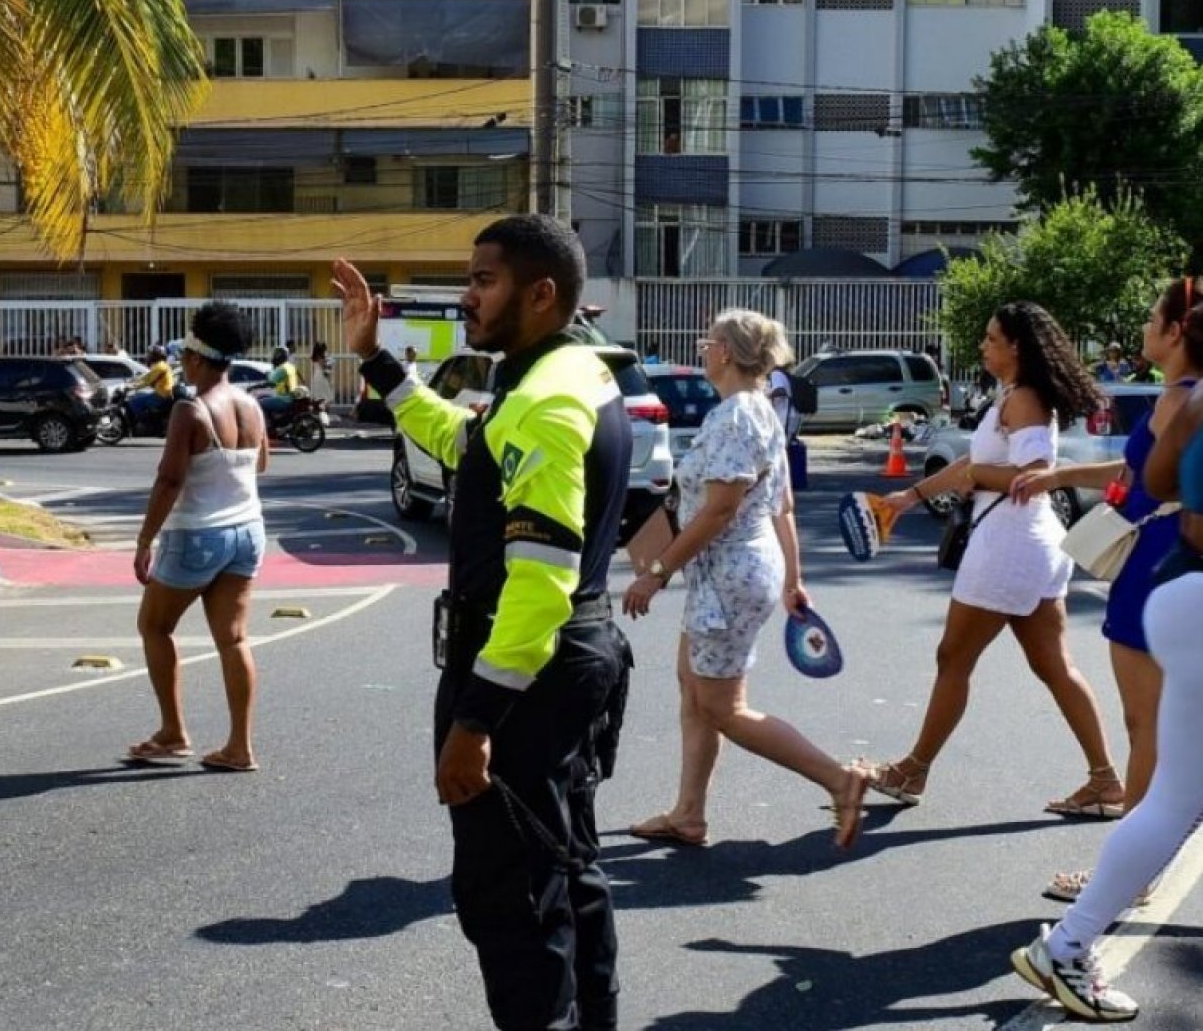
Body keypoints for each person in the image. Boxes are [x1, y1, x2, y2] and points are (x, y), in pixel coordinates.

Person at [333, 216, 634, 1031]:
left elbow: (539, 588)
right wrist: (374, 359)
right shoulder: (561, 376)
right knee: (568, 873)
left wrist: (474, 720)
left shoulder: (545, 401)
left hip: (525, 673)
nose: (466, 296)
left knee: (511, 899)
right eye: (469, 277)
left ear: (542, 294)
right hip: (567, 659)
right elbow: (462, 442)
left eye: (484, 280)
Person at [622, 309, 869, 852]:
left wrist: (657, 573)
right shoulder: (760, 412)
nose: (701, 348)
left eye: (706, 341)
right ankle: (688, 814)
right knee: (694, 688)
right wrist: (793, 577)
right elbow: (783, 505)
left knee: (722, 707)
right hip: (741, 572)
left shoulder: (735, 417)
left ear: (727, 353)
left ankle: (839, 780)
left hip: (728, 577)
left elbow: (718, 511)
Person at [862, 302, 1122, 813]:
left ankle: (912, 771)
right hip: (1031, 544)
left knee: (953, 658)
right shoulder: (1011, 396)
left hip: (1010, 544)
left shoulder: (1024, 400)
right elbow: (972, 462)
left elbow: (1034, 474)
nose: (982, 345)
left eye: (991, 338)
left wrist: (978, 478)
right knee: (1054, 666)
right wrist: (911, 496)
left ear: (1017, 347)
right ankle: (1106, 781)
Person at [1008, 363, 1203, 1023]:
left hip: (1179, 591)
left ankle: (1066, 945)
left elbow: (1152, 483)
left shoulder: (1195, 401)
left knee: (1177, 794)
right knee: (1177, 792)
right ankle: (1066, 946)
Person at [126, 303, 268, 773]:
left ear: (198, 359)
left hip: (197, 535)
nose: (183, 360)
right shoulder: (251, 405)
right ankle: (239, 748)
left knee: (154, 627)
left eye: (186, 352)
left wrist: (145, 541)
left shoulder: (191, 409)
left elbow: (169, 481)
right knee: (233, 639)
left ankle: (173, 732)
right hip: (248, 531)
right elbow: (260, 464)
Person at [126, 345, 177, 423]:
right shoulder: (161, 365)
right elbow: (147, 376)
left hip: (161, 396)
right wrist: (134, 381)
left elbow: (148, 381)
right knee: (139, 395)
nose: (148, 356)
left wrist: (132, 387)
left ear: (155, 356)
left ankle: (144, 422)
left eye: (150, 354)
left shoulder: (160, 366)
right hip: (162, 394)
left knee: (134, 401)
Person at [260, 346, 300, 418]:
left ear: (278, 356)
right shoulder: (290, 366)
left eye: (275, 355)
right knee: (267, 398)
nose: (274, 357)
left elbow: (271, 381)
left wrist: (253, 387)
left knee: (260, 403)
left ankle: (265, 426)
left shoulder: (282, 368)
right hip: (292, 397)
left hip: (284, 399)